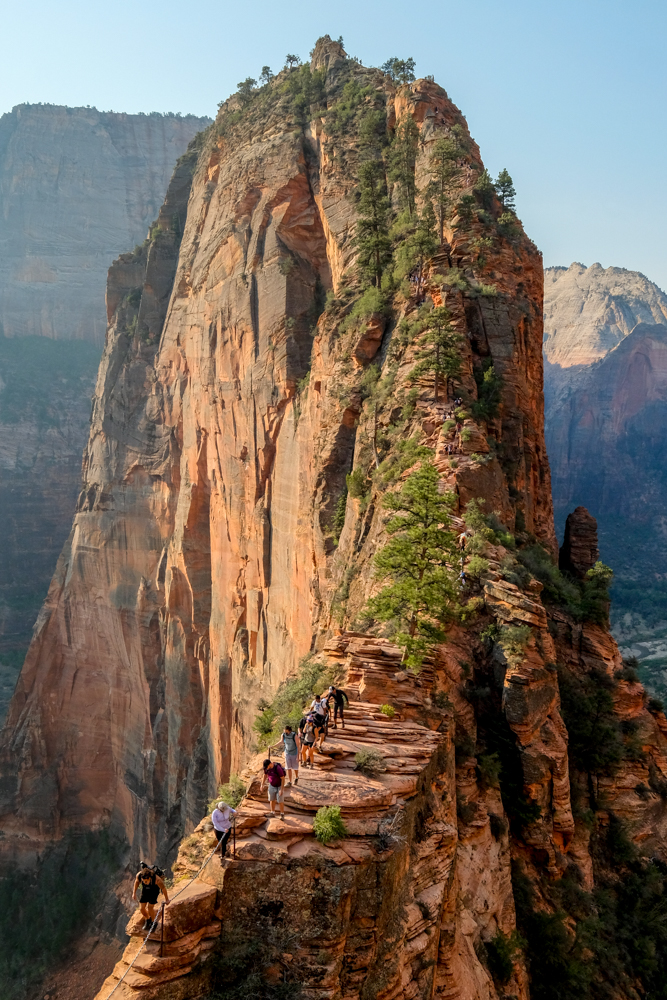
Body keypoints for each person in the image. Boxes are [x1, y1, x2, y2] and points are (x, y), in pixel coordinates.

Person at [132, 863, 170, 931]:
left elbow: (163, 889)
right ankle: (148, 919)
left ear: (150, 877)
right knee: (142, 909)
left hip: (154, 891)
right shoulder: (139, 875)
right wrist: (134, 893)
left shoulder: (156, 879)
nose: (145, 882)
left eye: (146, 881)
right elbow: (136, 882)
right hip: (145, 891)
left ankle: (153, 922)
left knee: (150, 907)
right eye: (144, 881)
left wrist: (167, 899)